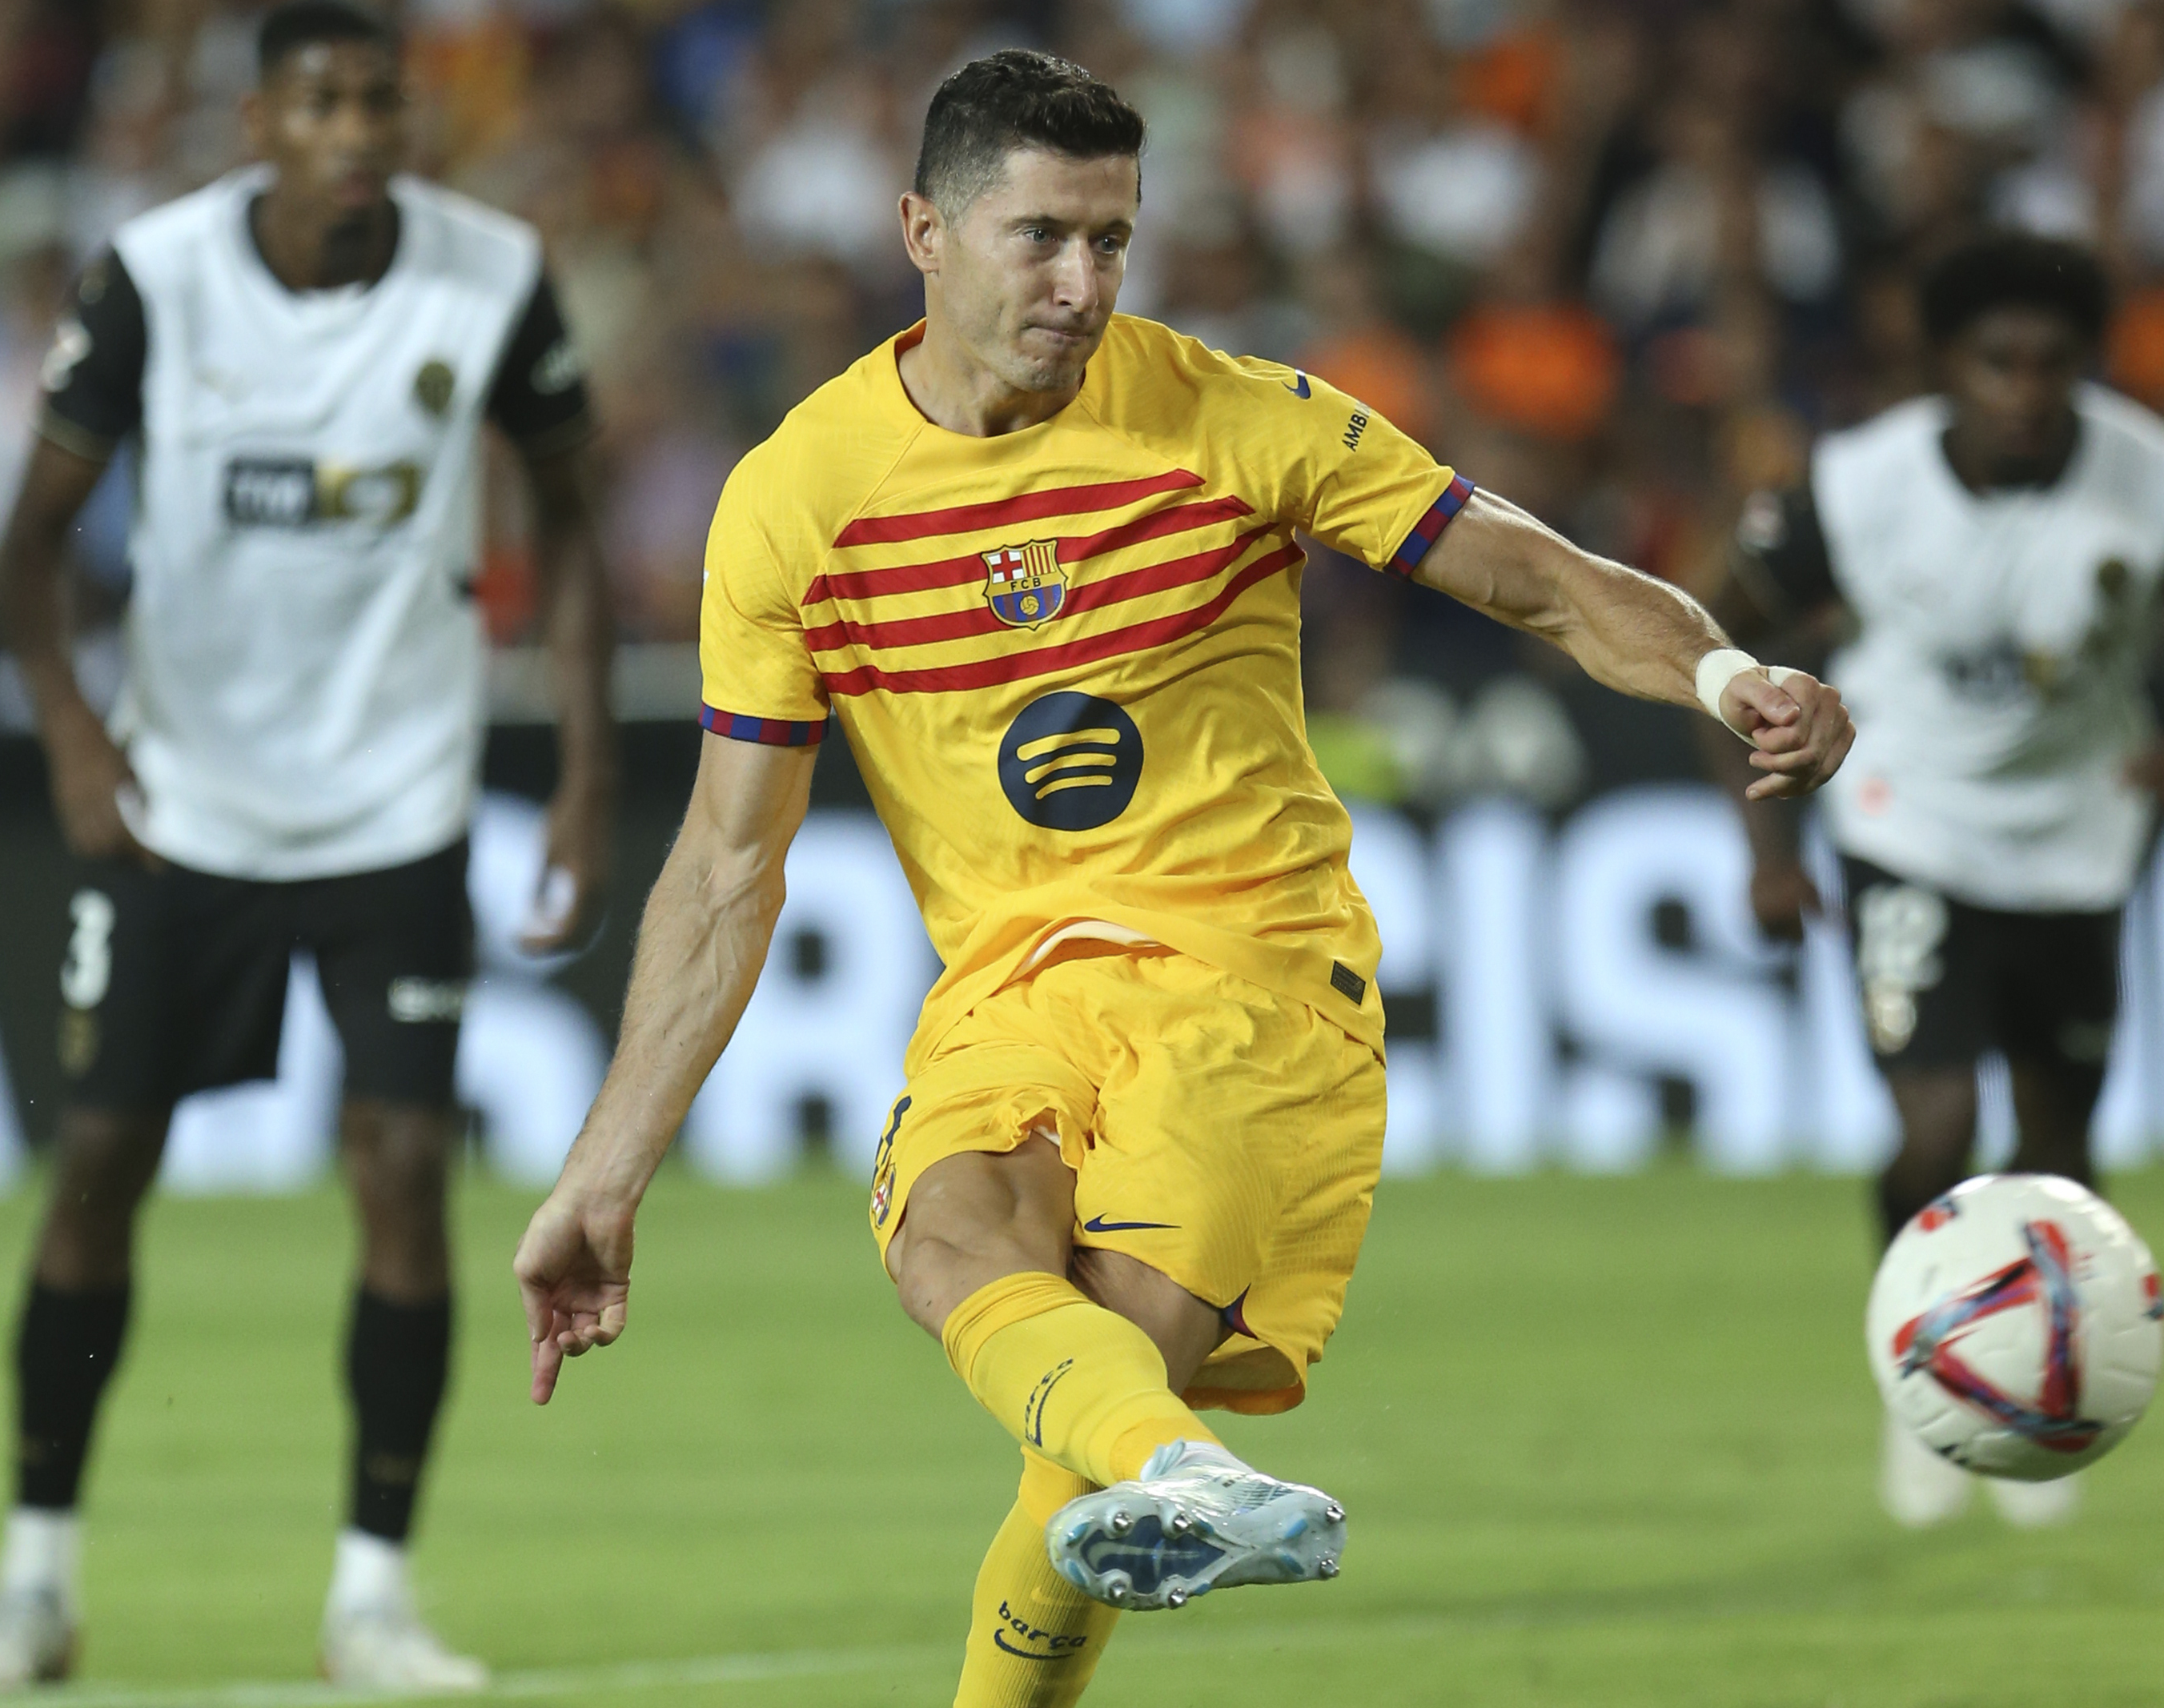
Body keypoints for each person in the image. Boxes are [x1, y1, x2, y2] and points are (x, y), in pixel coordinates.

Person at [512, 47, 1850, 1708]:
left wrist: (1730, 677)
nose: (1083, 286)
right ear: (923, 231)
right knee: (951, 1246)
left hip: (1255, 978)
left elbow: (1540, 577)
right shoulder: (796, 499)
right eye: (1042, 237)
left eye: (1112, 241)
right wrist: (606, 1169)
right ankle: (1187, 1470)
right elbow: (727, 863)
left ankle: (1158, 1457)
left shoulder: (1235, 417)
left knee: (1098, 1373)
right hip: (1013, 986)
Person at [0, 2, 614, 1692]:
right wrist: (73, 732)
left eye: (381, 102)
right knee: (101, 1167)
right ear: (260, 123)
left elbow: (573, 521)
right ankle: (33, 1581)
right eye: (321, 103)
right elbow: (27, 542)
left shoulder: (491, 274)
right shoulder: (154, 280)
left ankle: (372, 1596)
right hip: (187, 811)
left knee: (402, 1177)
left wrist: (586, 777)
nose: (357, 131)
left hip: (399, 804)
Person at [1710, 232, 2164, 1530]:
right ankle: (1920, 1376)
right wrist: (1770, 851)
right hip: (1907, 824)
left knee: (2060, 1151)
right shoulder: (1858, 487)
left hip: (2078, 845)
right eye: (1999, 363)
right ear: (1946, 367)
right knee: (1933, 1128)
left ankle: (2047, 1388)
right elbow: (1720, 639)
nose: (2027, 390)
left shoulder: (2158, 482)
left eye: (2053, 364)